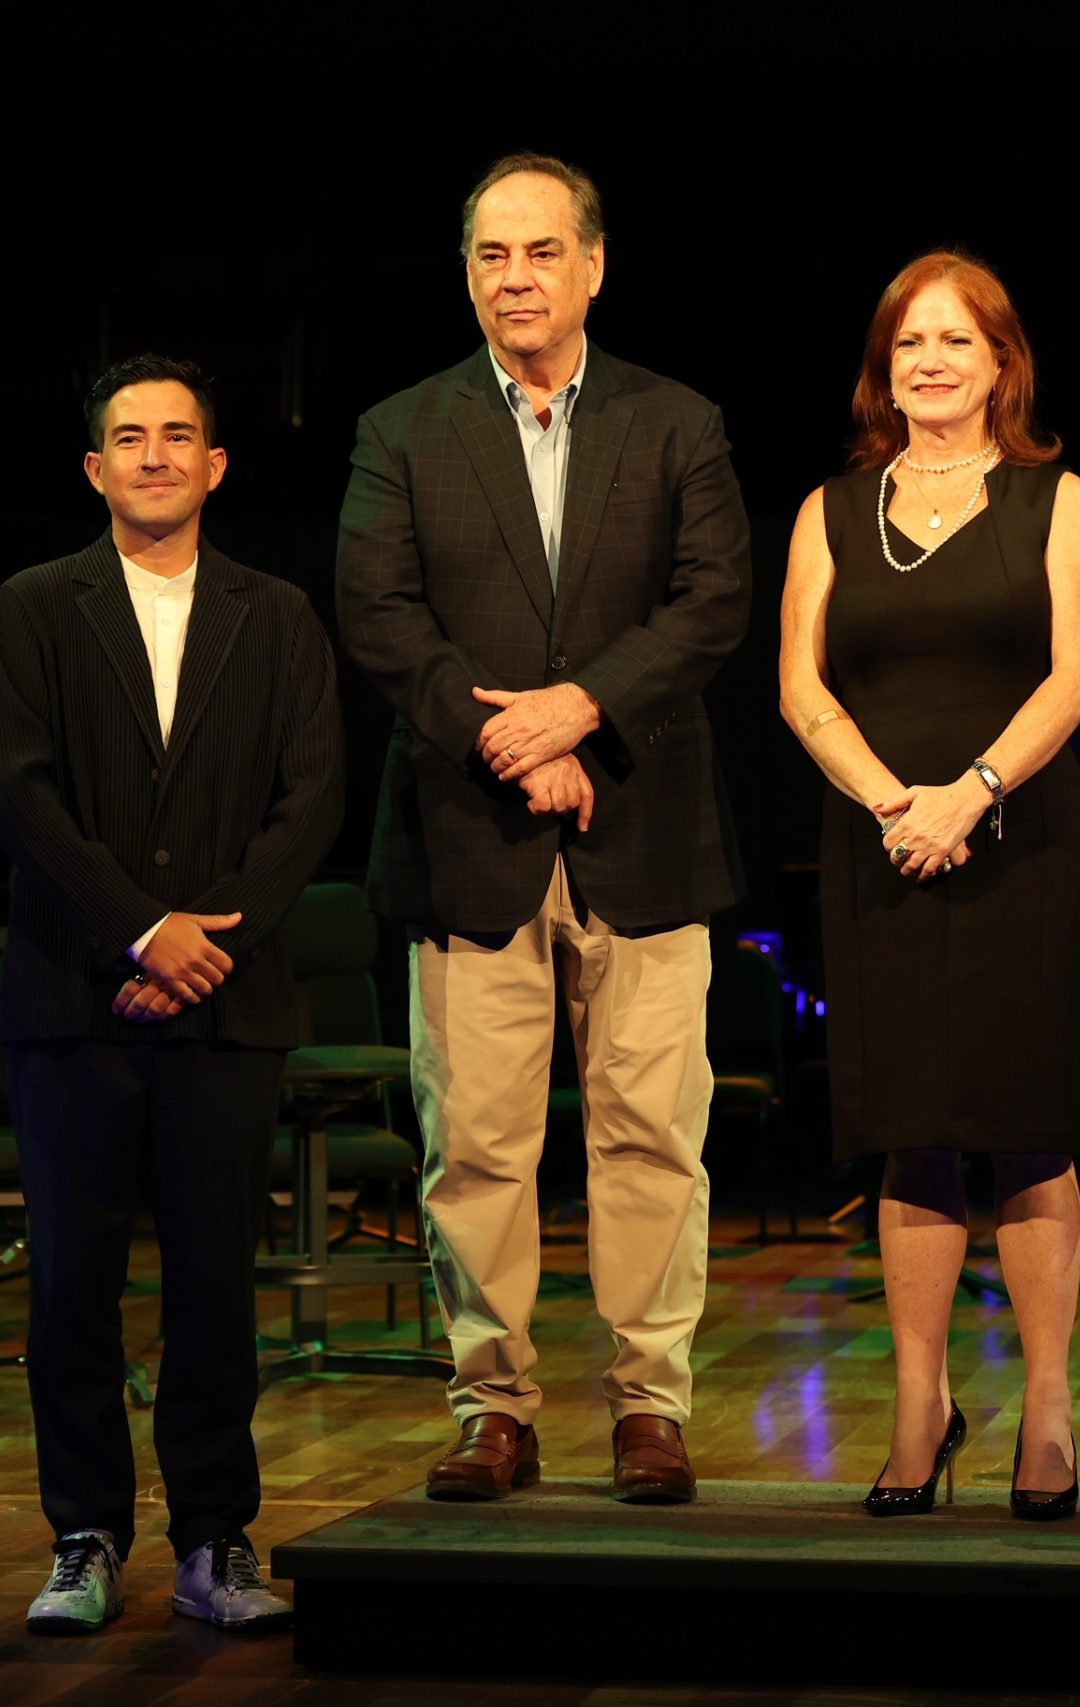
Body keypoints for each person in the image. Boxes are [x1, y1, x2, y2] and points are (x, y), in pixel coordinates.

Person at [335, 153, 749, 1505]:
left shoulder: (676, 420)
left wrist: (582, 711)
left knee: (653, 1138)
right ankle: (491, 1405)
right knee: (475, 1147)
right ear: (468, 273)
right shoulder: (401, 428)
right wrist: (513, 743)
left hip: (648, 833)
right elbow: (379, 615)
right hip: (467, 833)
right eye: (491, 254)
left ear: (594, 265)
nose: (516, 277)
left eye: (541, 251)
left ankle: (650, 1405)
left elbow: (712, 601)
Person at [0, 354, 342, 1634]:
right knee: (72, 1286)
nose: (155, 456)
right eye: (130, 437)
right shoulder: (34, 605)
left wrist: (200, 947)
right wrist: (138, 933)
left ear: (215, 465)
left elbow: (311, 799)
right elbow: (12, 791)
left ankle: (214, 1540)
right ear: (96, 468)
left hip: (226, 1008)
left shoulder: (278, 615)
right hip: (71, 1002)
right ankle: (82, 1536)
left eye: (179, 436)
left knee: (214, 1291)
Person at [778, 251, 1080, 1520]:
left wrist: (968, 795)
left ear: (1000, 363)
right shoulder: (830, 509)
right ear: (885, 368)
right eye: (909, 342)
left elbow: (1078, 677)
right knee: (907, 1129)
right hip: (882, 853)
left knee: (1028, 1124)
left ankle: (1047, 1408)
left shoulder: (1055, 498)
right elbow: (799, 687)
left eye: (955, 340)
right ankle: (919, 1408)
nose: (929, 361)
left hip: (1022, 850)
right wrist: (894, 807)